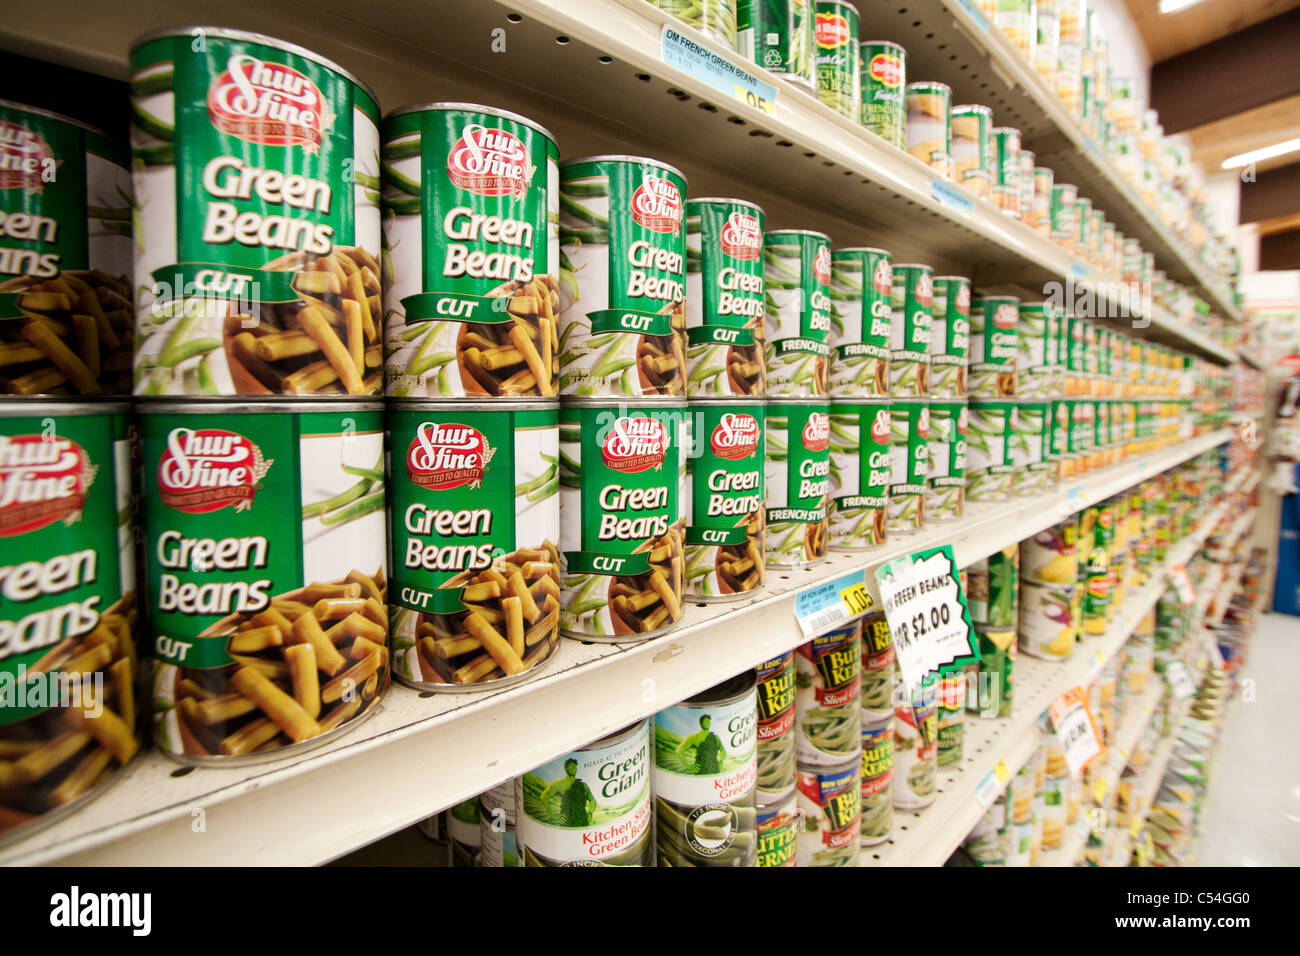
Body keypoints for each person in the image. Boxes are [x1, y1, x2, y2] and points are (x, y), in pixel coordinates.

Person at [540, 758, 595, 826]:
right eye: (571, 766)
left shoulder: (582, 785)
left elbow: (592, 801)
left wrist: (590, 813)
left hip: (582, 819)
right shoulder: (559, 784)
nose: (574, 768)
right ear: (566, 768)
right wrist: (554, 815)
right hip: (567, 821)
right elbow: (544, 797)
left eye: (575, 766)